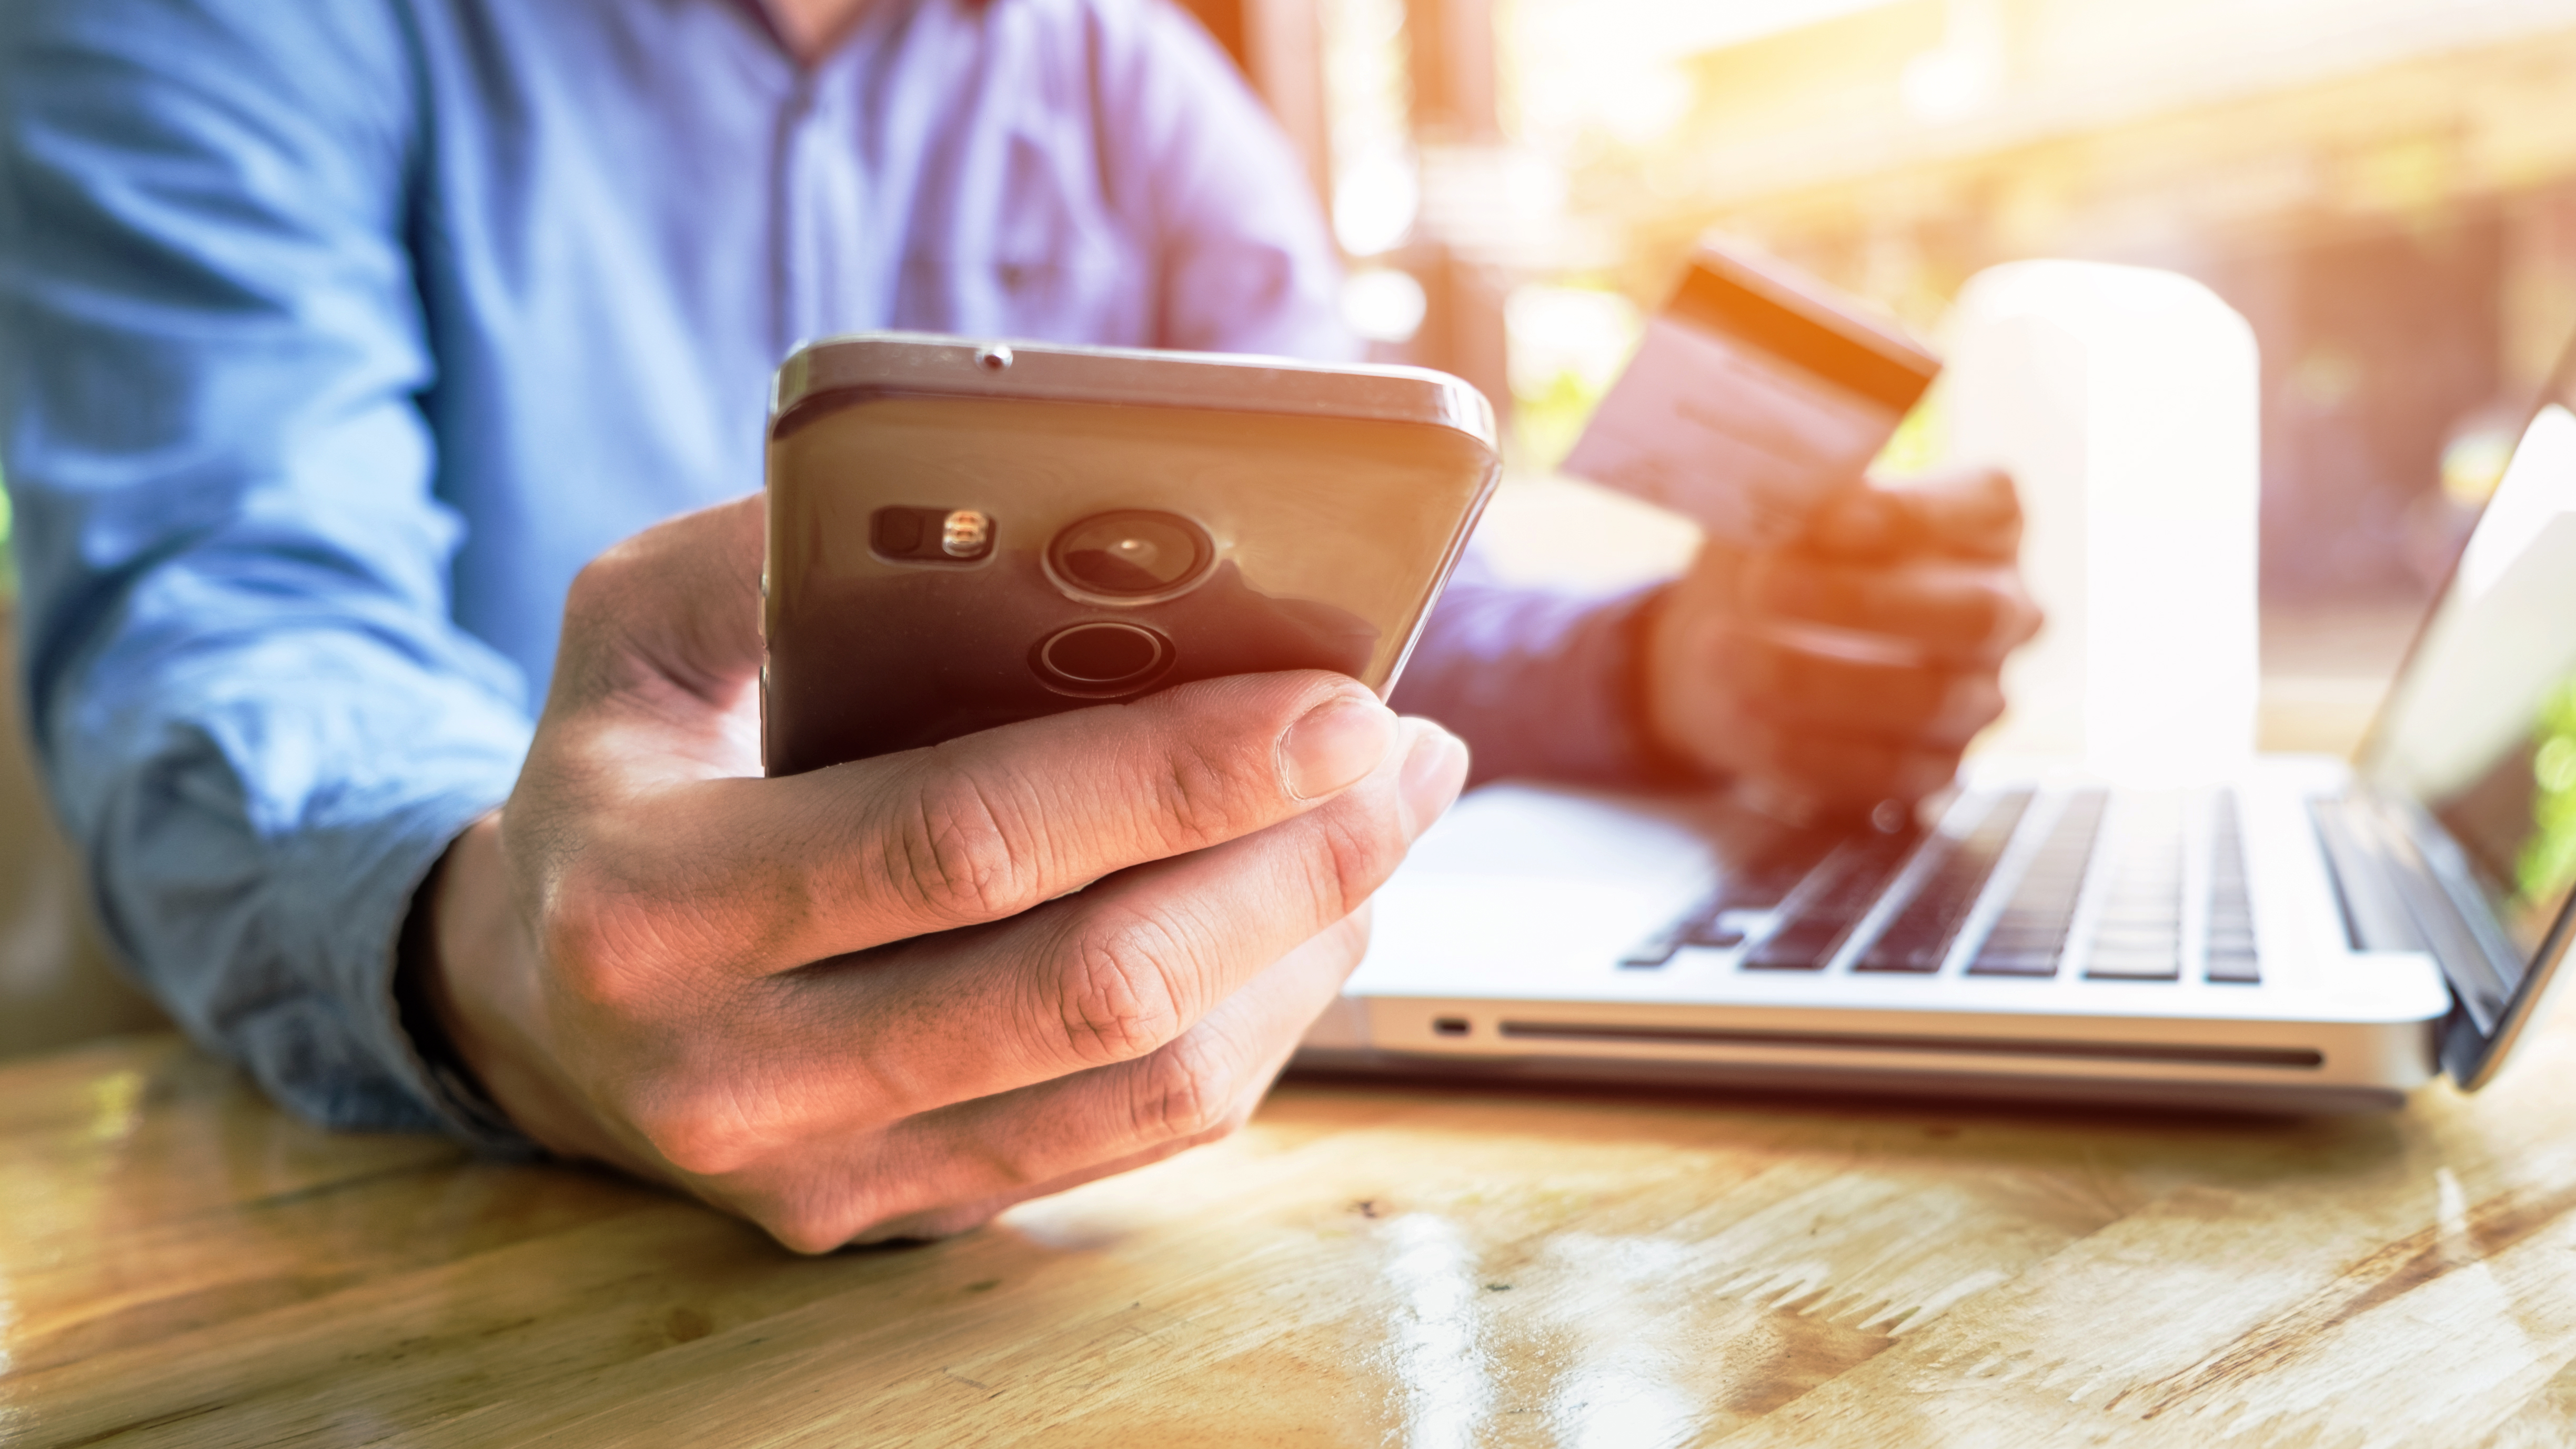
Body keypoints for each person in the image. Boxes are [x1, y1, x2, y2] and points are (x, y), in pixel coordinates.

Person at [0, 0, 2036, 1250]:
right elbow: (230, 608)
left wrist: (1682, 657)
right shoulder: (228, 22)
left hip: (1119, 1218)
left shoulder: (1133, 75)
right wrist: (506, 949)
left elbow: (1373, 579)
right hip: (382, 1205)